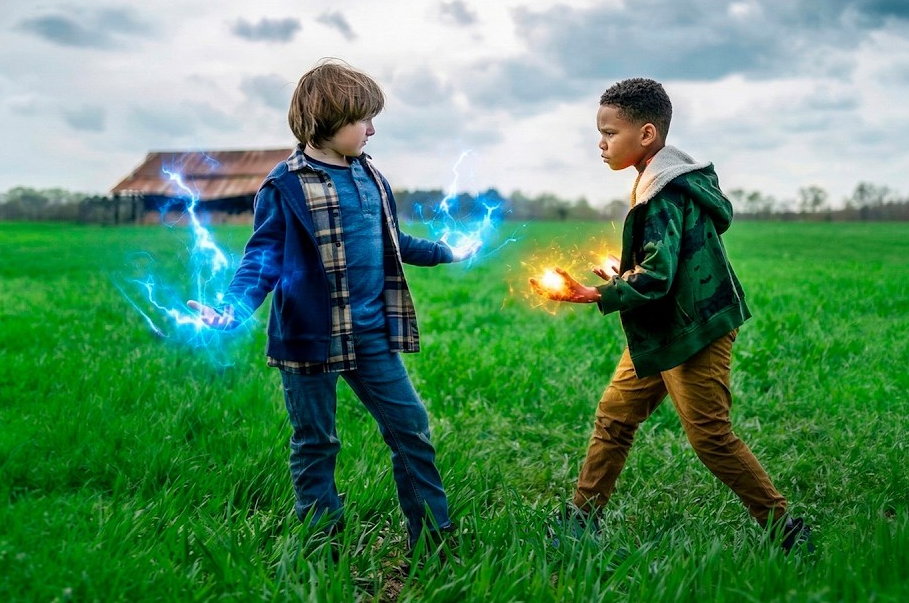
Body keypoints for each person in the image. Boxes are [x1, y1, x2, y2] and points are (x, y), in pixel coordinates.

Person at [189, 58, 476, 555]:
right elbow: (262, 258)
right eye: (362, 119)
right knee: (316, 444)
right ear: (327, 119)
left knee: (411, 430)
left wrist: (446, 251)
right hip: (310, 339)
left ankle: (434, 540)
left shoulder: (371, 177)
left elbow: (393, 240)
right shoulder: (285, 185)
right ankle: (323, 544)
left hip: (371, 335)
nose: (372, 129)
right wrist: (232, 310)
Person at [533, 77, 812, 554]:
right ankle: (581, 518)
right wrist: (624, 271)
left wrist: (595, 294)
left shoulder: (663, 191)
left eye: (610, 133)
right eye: (598, 133)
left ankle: (785, 528)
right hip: (664, 327)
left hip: (695, 329)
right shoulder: (660, 180)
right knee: (615, 417)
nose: (601, 144)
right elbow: (667, 264)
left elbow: (658, 278)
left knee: (710, 437)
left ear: (646, 134)